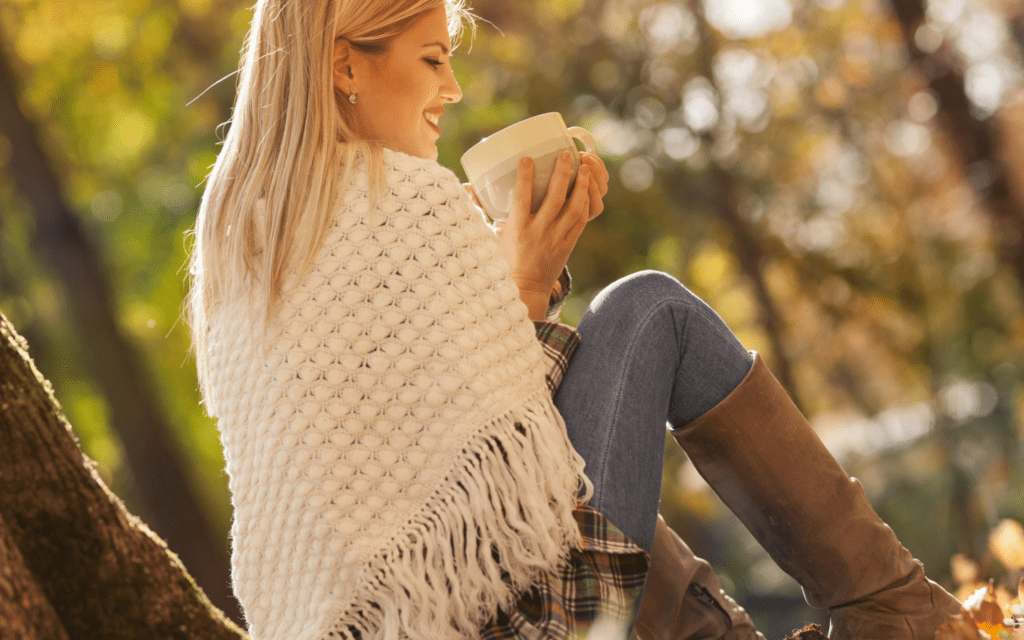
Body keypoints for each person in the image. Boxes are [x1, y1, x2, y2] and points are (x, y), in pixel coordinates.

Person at [186, 0, 963, 639]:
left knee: (590, 417)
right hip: (517, 624)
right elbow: (505, 463)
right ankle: (900, 617)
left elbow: (423, 460)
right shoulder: (400, 202)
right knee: (649, 309)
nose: (452, 89)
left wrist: (506, 291)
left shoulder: (240, 251)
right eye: (432, 59)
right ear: (344, 63)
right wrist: (521, 281)